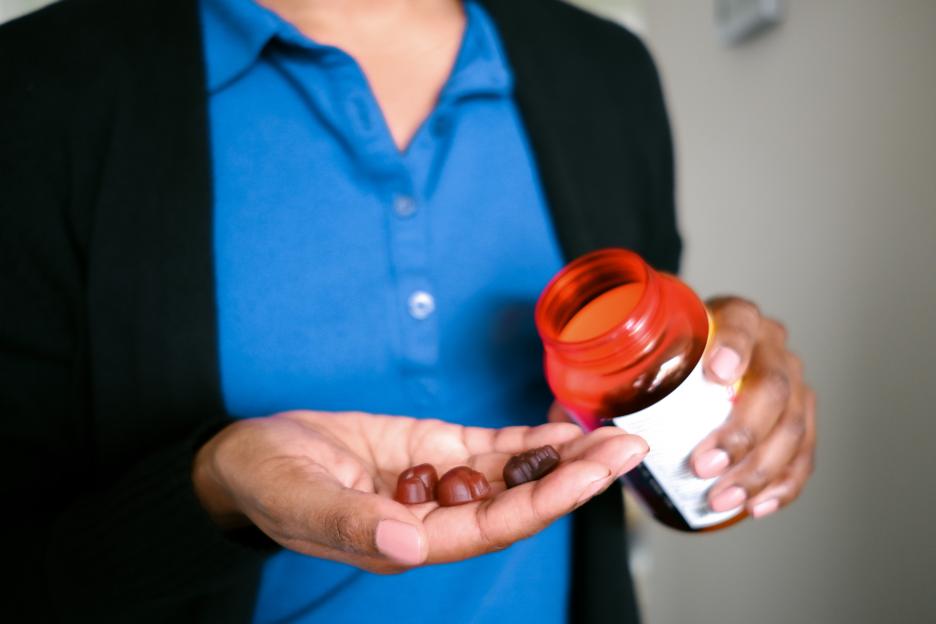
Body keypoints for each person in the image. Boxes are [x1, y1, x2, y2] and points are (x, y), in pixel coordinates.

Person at [0, 0, 816, 622]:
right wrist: (212, 487)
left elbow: (622, 406)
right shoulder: (36, 92)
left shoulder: (608, 71)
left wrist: (717, 391)